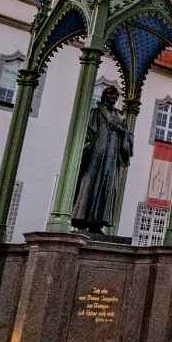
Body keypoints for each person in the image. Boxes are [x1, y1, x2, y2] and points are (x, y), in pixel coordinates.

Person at [71, 85, 133, 232]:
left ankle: (97, 223)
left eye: (116, 96)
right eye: (111, 94)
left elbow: (128, 136)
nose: (113, 97)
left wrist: (122, 131)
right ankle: (81, 219)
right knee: (89, 184)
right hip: (96, 156)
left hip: (111, 158)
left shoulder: (120, 116)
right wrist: (84, 152)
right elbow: (88, 134)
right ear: (104, 96)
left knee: (107, 187)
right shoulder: (96, 112)